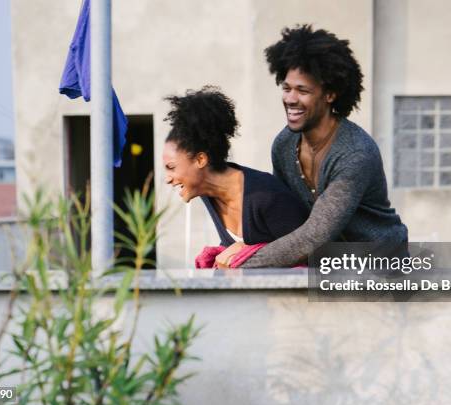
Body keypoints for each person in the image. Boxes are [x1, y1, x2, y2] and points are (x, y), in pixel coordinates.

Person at [237, 24, 408, 268]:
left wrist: (242, 266)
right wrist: (242, 247)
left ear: (330, 94)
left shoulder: (355, 153)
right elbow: (284, 216)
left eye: (302, 90)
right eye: (286, 88)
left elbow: (314, 236)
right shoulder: (283, 145)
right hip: (327, 268)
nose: (290, 98)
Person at [162, 86, 309, 266]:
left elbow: (310, 253)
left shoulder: (266, 196)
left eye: (171, 167)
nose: (168, 178)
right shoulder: (207, 193)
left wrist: (246, 251)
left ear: (200, 159)